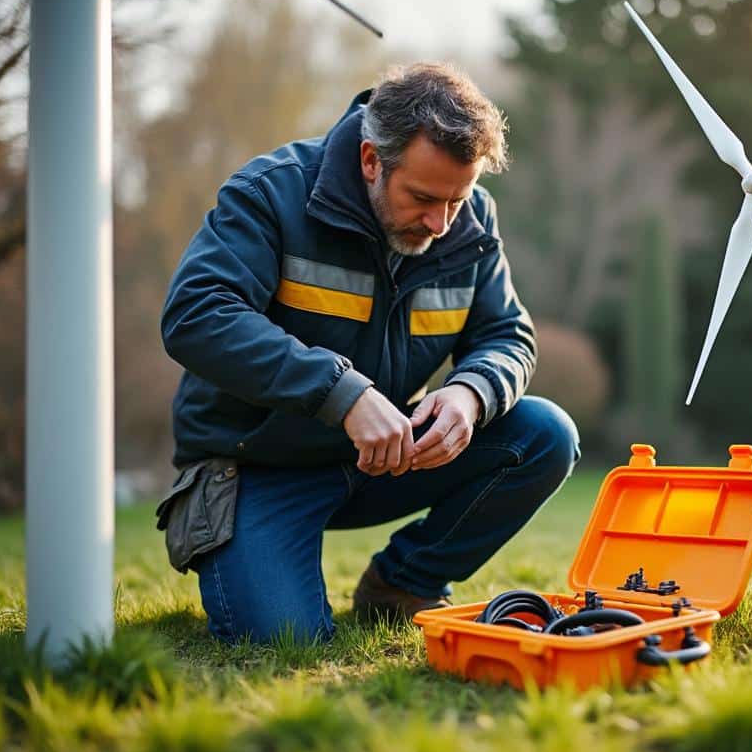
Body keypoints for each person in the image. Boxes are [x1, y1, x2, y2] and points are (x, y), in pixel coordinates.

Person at [159, 63, 579, 644]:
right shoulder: (271, 193)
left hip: (390, 455)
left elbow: (507, 333)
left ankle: (402, 583)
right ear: (370, 160)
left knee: (544, 432)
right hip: (256, 467)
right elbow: (198, 316)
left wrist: (470, 392)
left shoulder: (468, 216)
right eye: (424, 198)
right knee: (287, 640)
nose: (441, 222)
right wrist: (343, 393)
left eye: (459, 199)